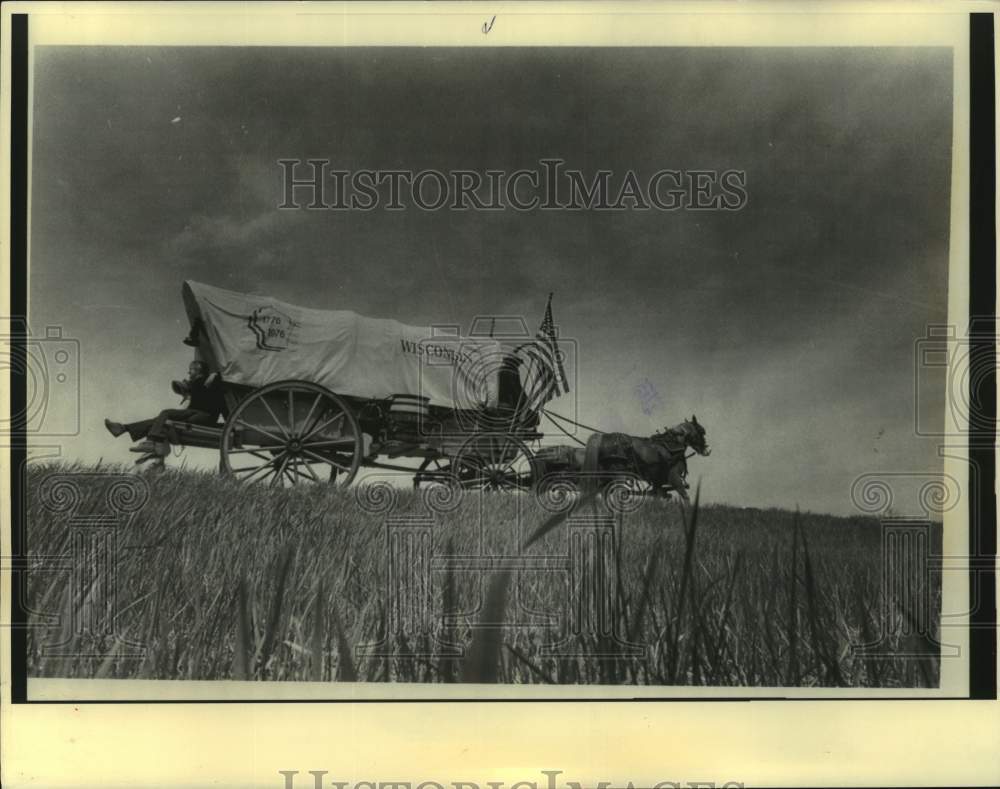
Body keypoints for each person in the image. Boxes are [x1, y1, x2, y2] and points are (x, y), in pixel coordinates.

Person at [104, 360, 225, 458]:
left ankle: (149, 440)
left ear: (198, 370)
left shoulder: (208, 381)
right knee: (160, 419)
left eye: (191, 370)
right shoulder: (198, 383)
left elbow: (224, 377)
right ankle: (123, 428)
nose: (188, 372)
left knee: (165, 413)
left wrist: (216, 374)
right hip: (197, 414)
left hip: (204, 416)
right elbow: (179, 386)